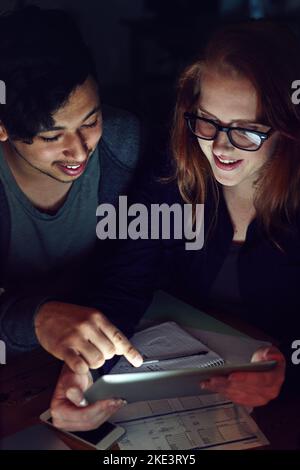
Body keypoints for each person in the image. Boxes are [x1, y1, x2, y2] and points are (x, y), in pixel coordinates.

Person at [50, 19, 300, 431]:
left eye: (247, 131)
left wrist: (286, 371)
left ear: (288, 130)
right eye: (207, 121)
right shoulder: (177, 167)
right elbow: (127, 281)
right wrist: (85, 365)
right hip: (185, 393)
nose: (219, 147)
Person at [0, 4, 143, 395]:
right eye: (51, 137)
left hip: (97, 362)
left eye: (90, 121)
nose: (79, 152)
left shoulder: (123, 145)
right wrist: (36, 319)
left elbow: (139, 268)